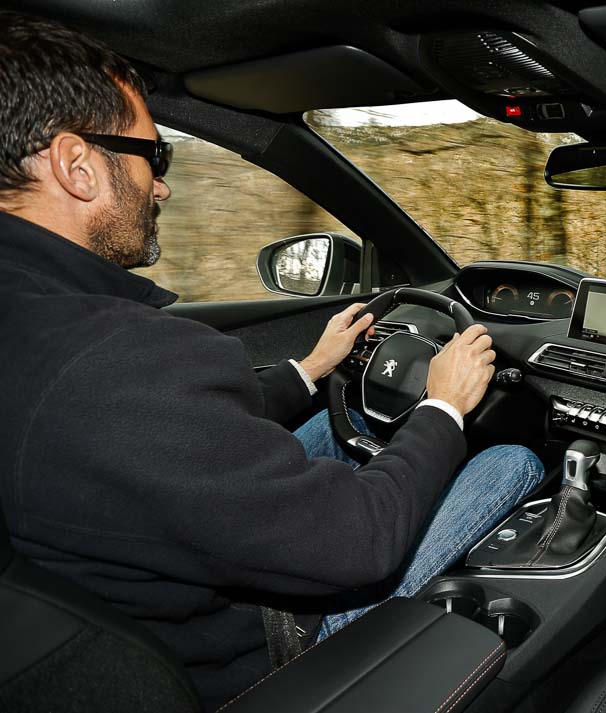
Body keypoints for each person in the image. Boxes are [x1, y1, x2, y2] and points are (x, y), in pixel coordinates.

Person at [0, 12, 544, 709]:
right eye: (152, 156)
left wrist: (311, 370)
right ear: (77, 167)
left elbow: (172, 434)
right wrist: (442, 406)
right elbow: (362, 543)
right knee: (510, 462)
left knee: (330, 431)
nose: (161, 186)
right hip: (263, 656)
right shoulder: (118, 357)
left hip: (141, 614)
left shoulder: (46, 329)